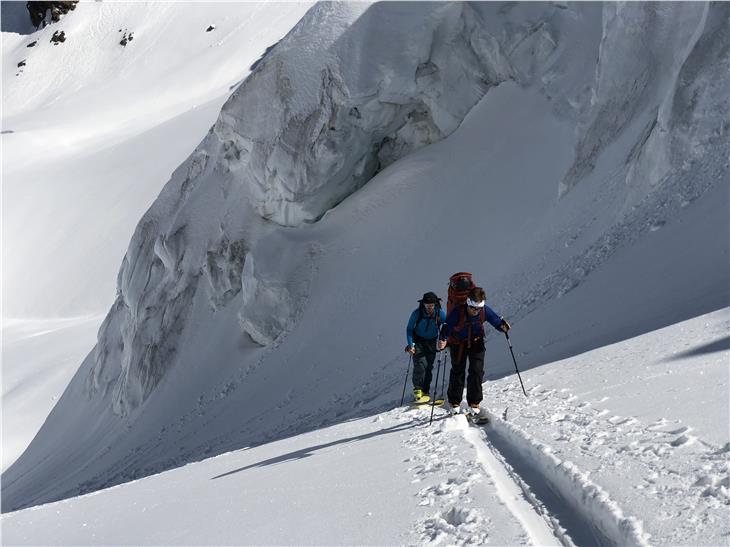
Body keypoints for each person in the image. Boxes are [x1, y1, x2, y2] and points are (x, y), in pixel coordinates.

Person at [437, 286, 510, 414]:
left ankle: (474, 403)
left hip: (477, 341)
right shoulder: (458, 311)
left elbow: (494, 319)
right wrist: (443, 339)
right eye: (472, 308)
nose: (475, 311)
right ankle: (454, 402)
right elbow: (447, 327)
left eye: (478, 308)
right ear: (468, 303)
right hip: (458, 343)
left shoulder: (484, 311)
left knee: (477, 371)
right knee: (458, 371)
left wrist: (502, 326)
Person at [405, 292, 447, 403]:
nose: (429, 308)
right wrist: (410, 344)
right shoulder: (417, 313)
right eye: (427, 305)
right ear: (423, 304)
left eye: (432, 305)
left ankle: (425, 392)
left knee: (429, 366)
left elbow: (446, 326)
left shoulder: (440, 314)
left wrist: (443, 339)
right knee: (420, 365)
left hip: (432, 342)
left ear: (436, 304)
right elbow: (409, 329)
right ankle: (418, 390)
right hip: (418, 341)